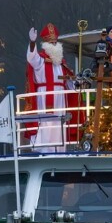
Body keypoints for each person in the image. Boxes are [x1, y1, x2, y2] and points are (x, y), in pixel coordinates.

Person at [25, 23, 76, 152]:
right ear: (45, 44)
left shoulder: (61, 62)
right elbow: (31, 57)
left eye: (55, 43)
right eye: (51, 43)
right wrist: (32, 42)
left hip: (60, 95)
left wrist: (74, 81)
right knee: (46, 122)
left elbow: (68, 82)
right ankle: (44, 150)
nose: (54, 45)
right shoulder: (40, 60)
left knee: (60, 122)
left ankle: (59, 149)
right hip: (45, 94)